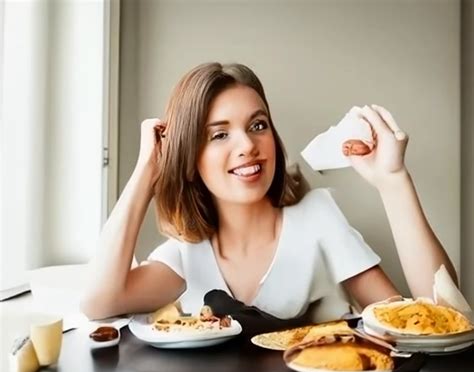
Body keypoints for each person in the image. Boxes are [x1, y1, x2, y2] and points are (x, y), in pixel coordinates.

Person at [80, 62, 457, 322]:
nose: (248, 144)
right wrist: (146, 172)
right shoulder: (186, 253)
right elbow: (99, 302)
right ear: (189, 159)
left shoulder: (317, 218)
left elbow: (443, 315)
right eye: (220, 134)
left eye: (258, 125)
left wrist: (393, 180)